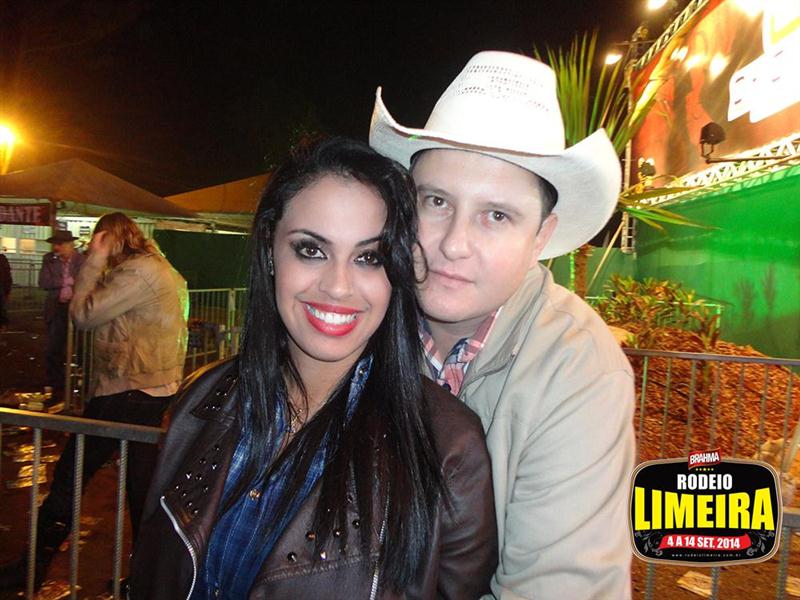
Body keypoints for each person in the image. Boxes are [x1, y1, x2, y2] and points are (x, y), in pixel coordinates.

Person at [129, 137, 497, 599]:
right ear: (270, 251)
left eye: (369, 257)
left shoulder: (448, 448)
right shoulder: (201, 400)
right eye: (311, 250)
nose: (338, 286)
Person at [370, 51, 636, 599]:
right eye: (436, 201)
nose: (454, 243)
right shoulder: (361, 317)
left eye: (497, 215)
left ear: (541, 237)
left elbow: (556, 588)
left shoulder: (577, 368)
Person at [0, 212, 188, 591]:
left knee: (70, 479)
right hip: (149, 389)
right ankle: (146, 581)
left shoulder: (140, 272)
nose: (90, 249)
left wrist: (94, 262)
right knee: (142, 491)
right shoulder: (153, 267)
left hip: (127, 392)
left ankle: (30, 571)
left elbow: (84, 314)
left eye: (97, 242)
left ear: (111, 238)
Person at [38, 229, 86, 395]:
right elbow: (44, 282)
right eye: (55, 244)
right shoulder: (49, 259)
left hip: (75, 307)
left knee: (79, 346)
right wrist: (68, 281)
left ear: (70, 245)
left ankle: (78, 381)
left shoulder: (81, 260)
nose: (56, 247)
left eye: (60, 244)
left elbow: (84, 282)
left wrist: (62, 282)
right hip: (57, 307)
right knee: (54, 346)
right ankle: (55, 381)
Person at [0, 249, 11, 330]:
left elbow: (7, 275)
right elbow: (7, 275)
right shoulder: (2, 259)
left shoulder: (2, 259)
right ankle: (2, 324)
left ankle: (2, 324)